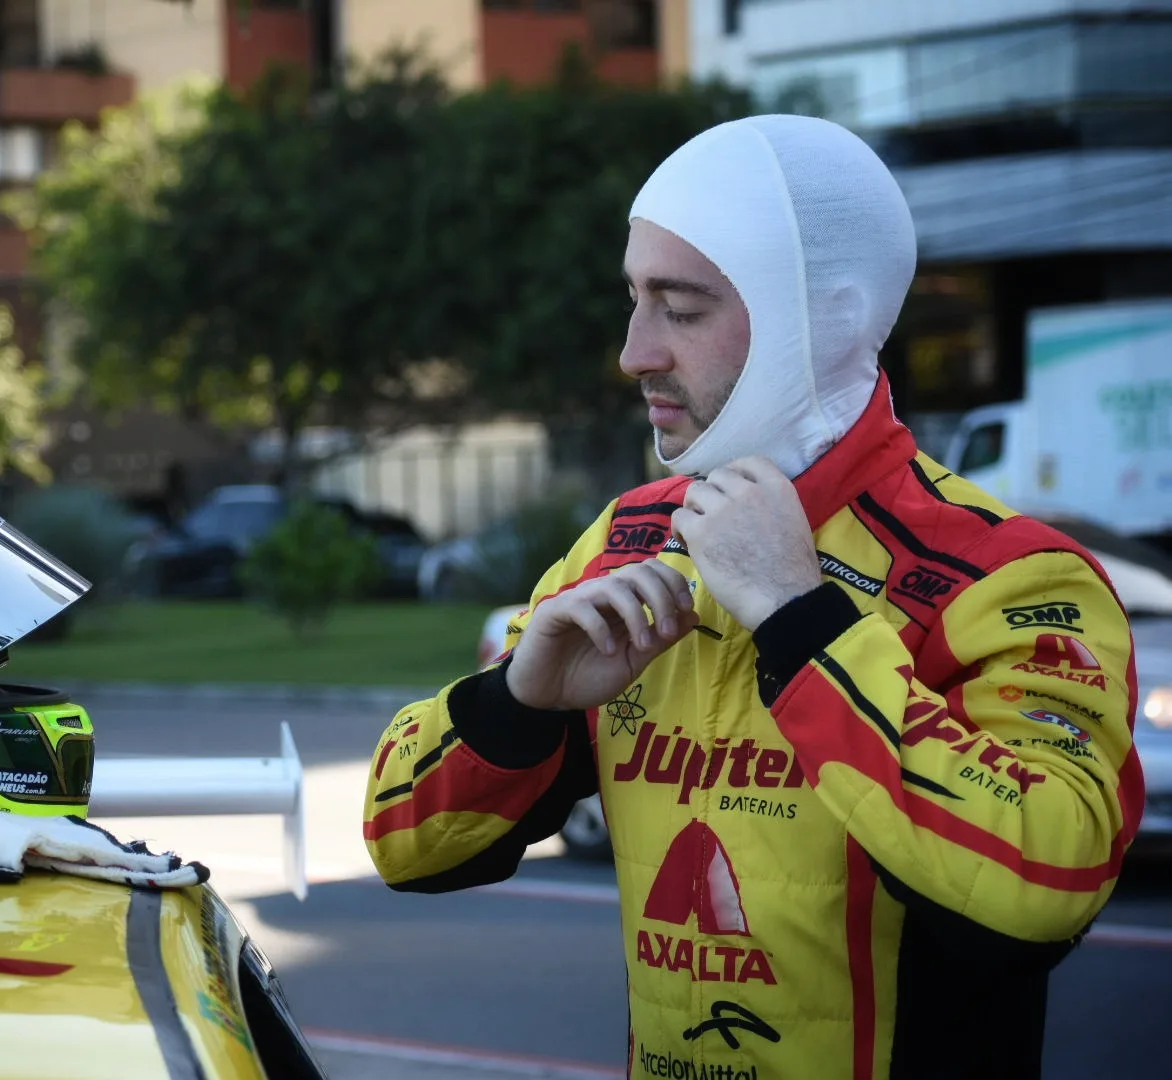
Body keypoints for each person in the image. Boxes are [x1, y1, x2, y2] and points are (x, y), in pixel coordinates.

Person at [362, 116, 1144, 1080]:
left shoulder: (1012, 577)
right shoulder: (628, 539)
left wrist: (799, 619)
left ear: (830, 318)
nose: (633, 352)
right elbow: (405, 842)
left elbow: (1050, 875)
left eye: (680, 309)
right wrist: (516, 704)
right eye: (634, 300)